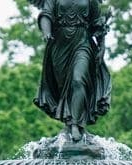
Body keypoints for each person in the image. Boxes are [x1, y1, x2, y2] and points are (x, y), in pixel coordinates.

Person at [32, 0, 112, 142]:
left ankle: (76, 124)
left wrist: (102, 46)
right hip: (59, 45)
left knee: (78, 80)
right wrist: (46, 32)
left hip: (83, 43)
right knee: (64, 89)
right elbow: (46, 14)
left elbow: (97, 23)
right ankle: (69, 124)